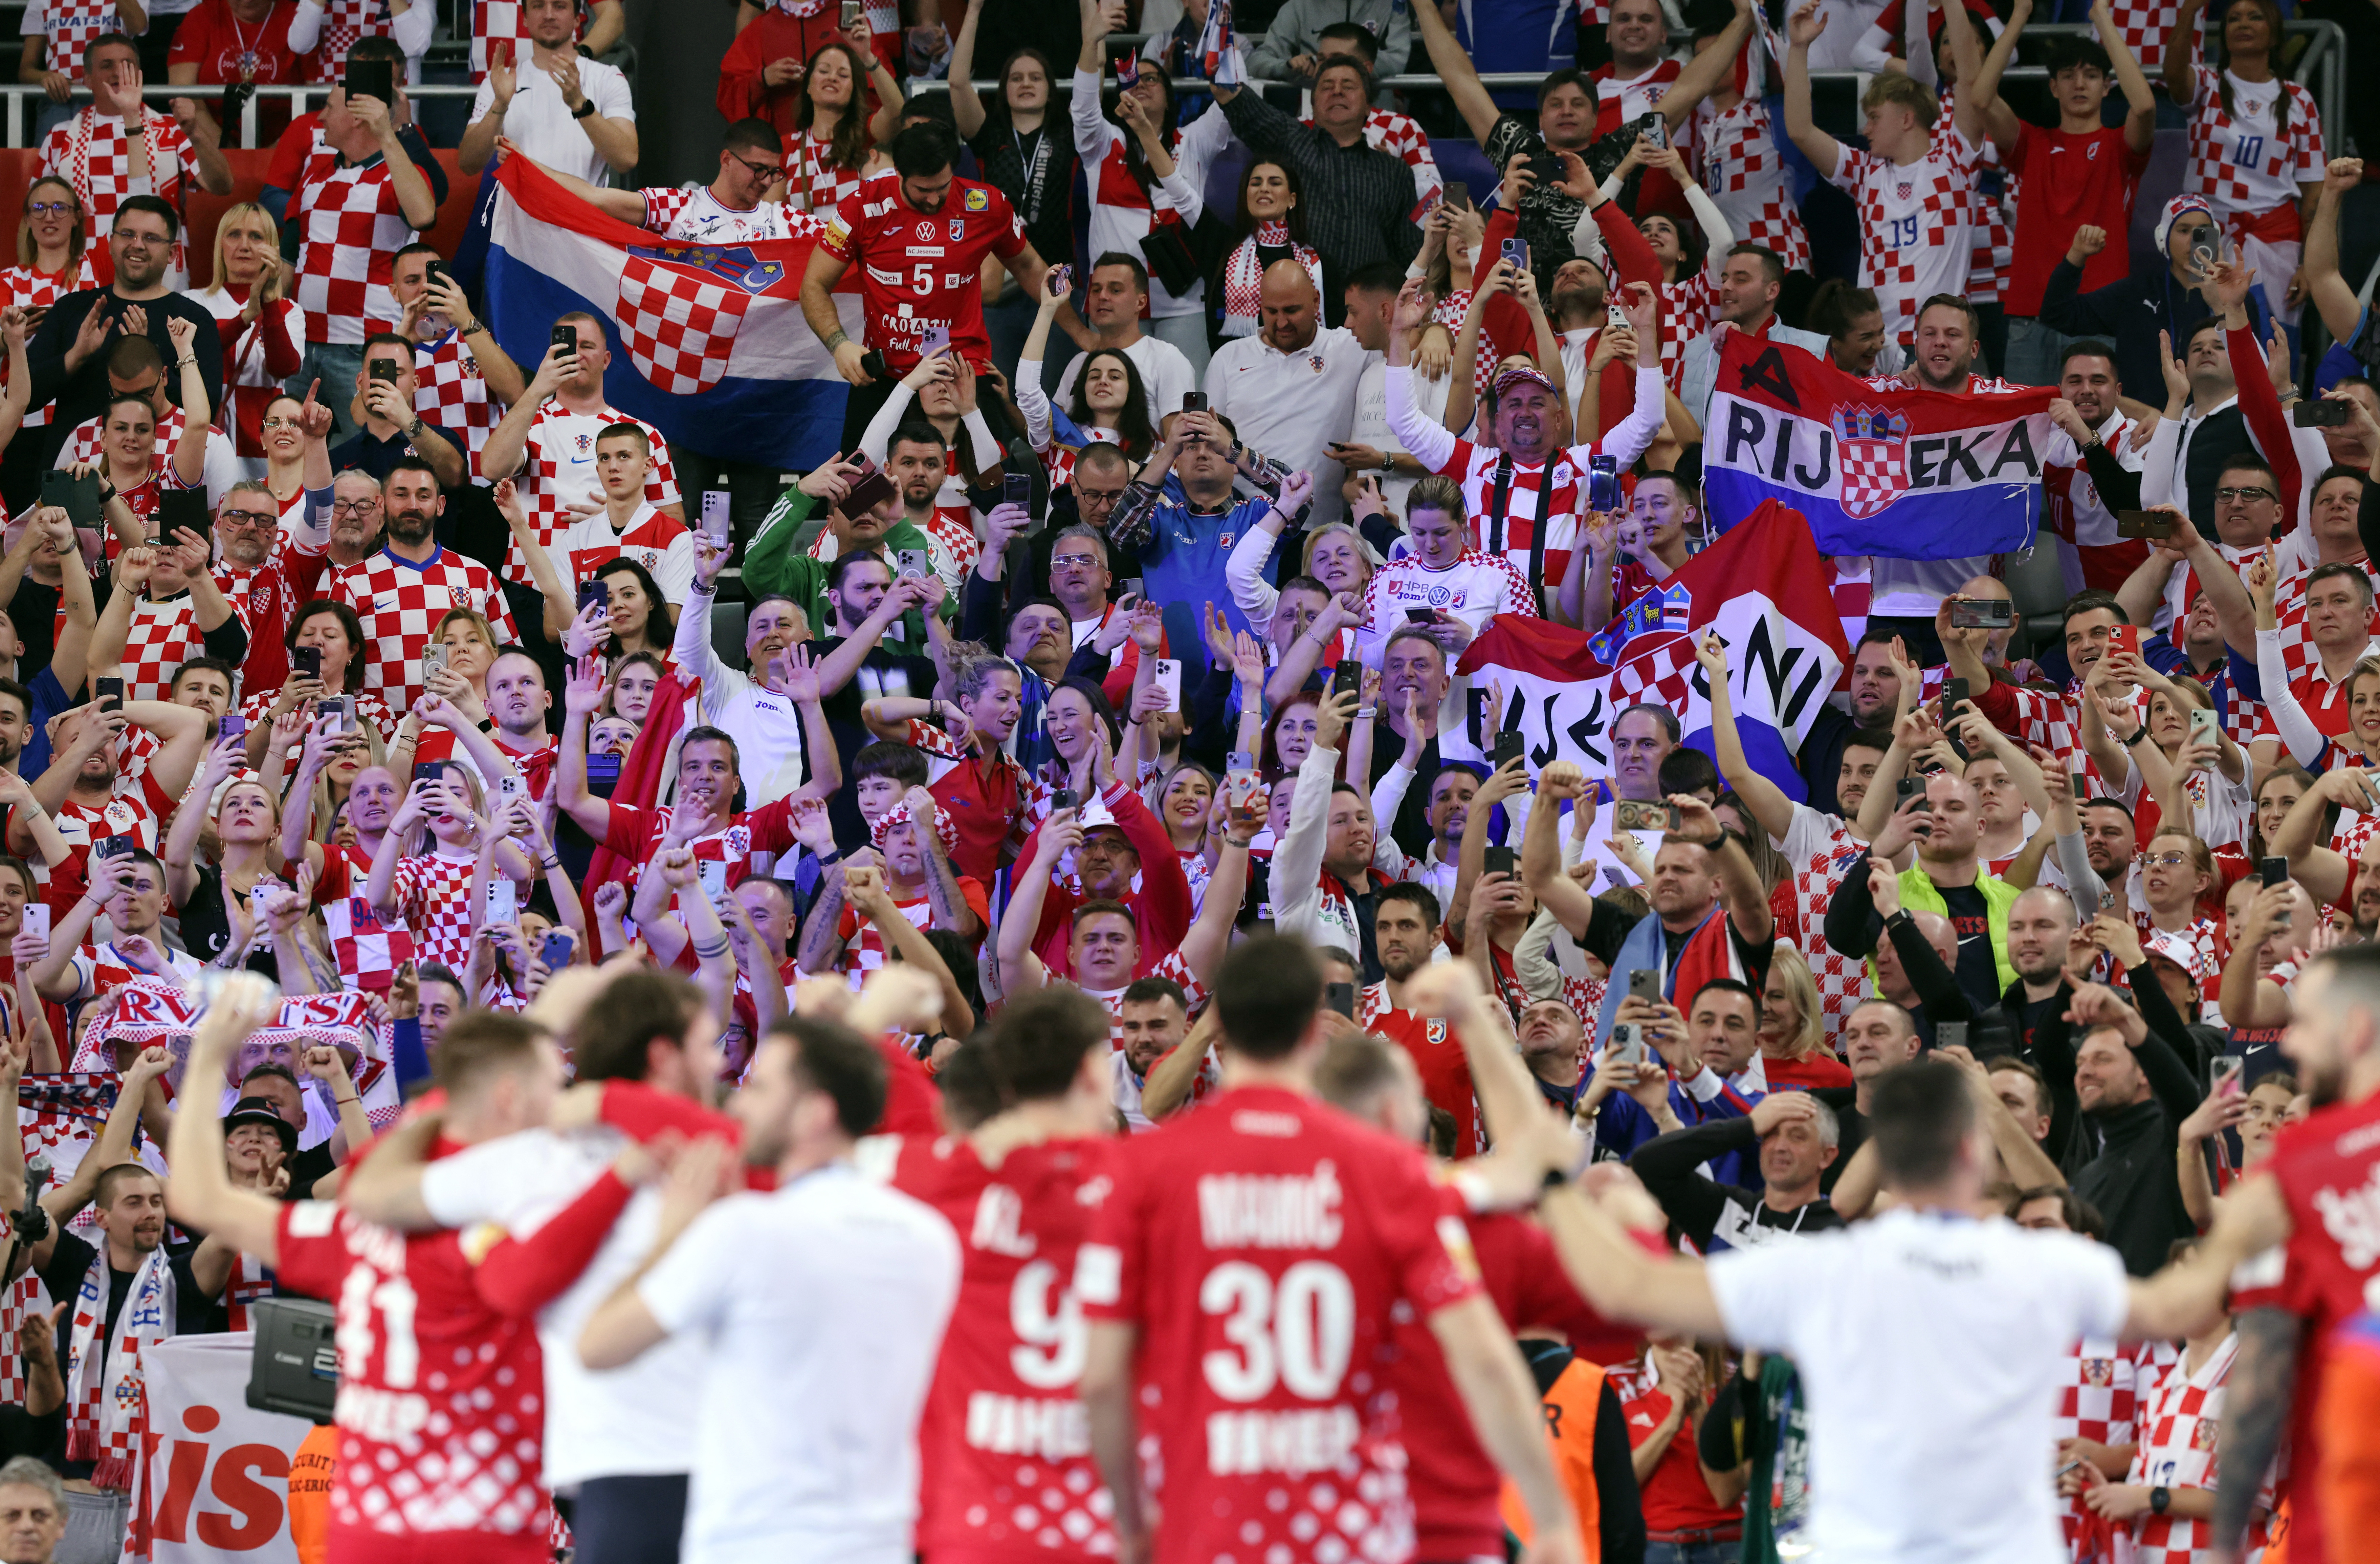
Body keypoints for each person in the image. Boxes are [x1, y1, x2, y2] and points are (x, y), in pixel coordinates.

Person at [1074, 934, 1586, 1564]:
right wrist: (1551, 1519)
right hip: (1352, 1536)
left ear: (1220, 1028)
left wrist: (1128, 1523)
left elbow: (1099, 1378)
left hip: (1205, 1530)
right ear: (1313, 1030)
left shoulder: (1141, 1174)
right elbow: (1482, 1357)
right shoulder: (1389, 1172)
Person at [163, 977, 636, 1564]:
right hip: (482, 1539)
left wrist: (210, 1055)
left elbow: (199, 1197)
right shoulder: (517, 1245)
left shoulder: (352, 1238)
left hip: (369, 1535)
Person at [575, 1014, 964, 1564]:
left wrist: (673, 1233)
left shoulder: (744, 1232)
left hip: (754, 1543)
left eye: (760, 1089)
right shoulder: (930, 1239)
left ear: (815, 1114)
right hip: (881, 1544)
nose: (739, 1105)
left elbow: (597, 1345)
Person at [1388, 276, 1664, 606]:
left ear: (1559, 418)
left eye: (1537, 403)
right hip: (1488, 634)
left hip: (1561, 637)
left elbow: (1648, 419)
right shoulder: (1473, 464)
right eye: (1514, 404)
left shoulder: (1582, 464)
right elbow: (1403, 421)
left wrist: (1646, 334)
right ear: (1499, 420)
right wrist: (1400, 335)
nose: (1525, 412)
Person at [801, 121, 1053, 446]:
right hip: (886, 377)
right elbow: (813, 285)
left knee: (987, 490)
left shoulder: (986, 204)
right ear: (899, 174)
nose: (934, 200)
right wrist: (840, 345)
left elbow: (1029, 264)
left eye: (942, 187)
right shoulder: (862, 205)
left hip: (964, 372)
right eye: (923, 190)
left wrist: (1083, 335)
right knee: (857, 488)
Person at [1782, 0, 1991, 351]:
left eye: (1876, 117)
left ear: (1907, 118)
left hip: (1939, 346)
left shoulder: (1956, 163)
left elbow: (1971, 78)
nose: (1866, 129)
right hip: (1880, 349)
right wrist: (1800, 49)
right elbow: (1801, 130)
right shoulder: (1866, 173)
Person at [477, 312, 681, 590]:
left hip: (617, 593)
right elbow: (491, 469)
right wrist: (537, 388)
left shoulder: (644, 435)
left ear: (607, 360)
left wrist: (625, 518)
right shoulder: (530, 423)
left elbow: (675, 524)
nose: (577, 355)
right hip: (535, 587)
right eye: (568, 346)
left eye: (587, 346)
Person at [21, 195, 222, 467]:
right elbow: (23, 398)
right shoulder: (73, 309)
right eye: (127, 234)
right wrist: (75, 357)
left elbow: (206, 409)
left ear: (173, 253)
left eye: (151, 238)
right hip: (72, 474)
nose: (137, 245)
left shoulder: (193, 320)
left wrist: (148, 359)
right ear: (110, 242)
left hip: (163, 474)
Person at [1209, 54, 1422, 297]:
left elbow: (1409, 249)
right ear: (1313, 103)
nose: (1337, 92)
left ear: (1368, 106)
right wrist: (1225, 78)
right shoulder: (1290, 140)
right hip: (1298, 301)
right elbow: (1245, 107)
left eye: (1349, 86)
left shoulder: (1395, 171)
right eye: (1327, 87)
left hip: (1369, 307)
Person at [2165, 0, 2322, 326]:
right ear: (2224, 35)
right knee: (2204, 336)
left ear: (2275, 34)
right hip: (2207, 231)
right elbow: (2174, 76)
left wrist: (2309, 264)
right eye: (2234, 18)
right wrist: (2188, 13)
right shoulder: (2206, 85)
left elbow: (2315, 194)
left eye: (2255, 17)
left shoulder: (2299, 101)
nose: (2243, 24)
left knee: (2273, 338)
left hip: (2276, 235)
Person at [326, 459, 519, 713]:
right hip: (381, 741)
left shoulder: (476, 576)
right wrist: (340, 746)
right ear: (381, 504)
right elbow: (331, 676)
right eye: (401, 494)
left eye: (423, 496)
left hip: (466, 738)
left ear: (440, 506)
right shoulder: (350, 583)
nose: (413, 505)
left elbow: (511, 662)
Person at [37, 35, 231, 286]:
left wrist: (195, 133)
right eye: (107, 65)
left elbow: (223, 186)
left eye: (127, 64)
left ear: (139, 74)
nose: (119, 72)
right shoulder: (59, 137)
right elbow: (37, 213)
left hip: (160, 275)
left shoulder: (171, 128)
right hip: (82, 277)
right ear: (87, 79)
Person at [1202, 260, 1378, 528]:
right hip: (1240, 525)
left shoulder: (1350, 347)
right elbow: (1209, 443)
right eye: (1271, 311)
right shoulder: (1228, 358)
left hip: (1318, 532)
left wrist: (1437, 333)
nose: (1281, 322)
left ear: (1316, 301)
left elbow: (1400, 330)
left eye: (1292, 310)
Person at [457, 0, 636, 183]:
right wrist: (500, 106)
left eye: (559, 6)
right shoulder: (500, 82)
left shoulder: (608, 78)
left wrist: (580, 105)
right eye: (538, 6)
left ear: (577, 19)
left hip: (580, 211)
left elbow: (627, 159)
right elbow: (468, 164)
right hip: (513, 211)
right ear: (525, 19)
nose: (549, 15)